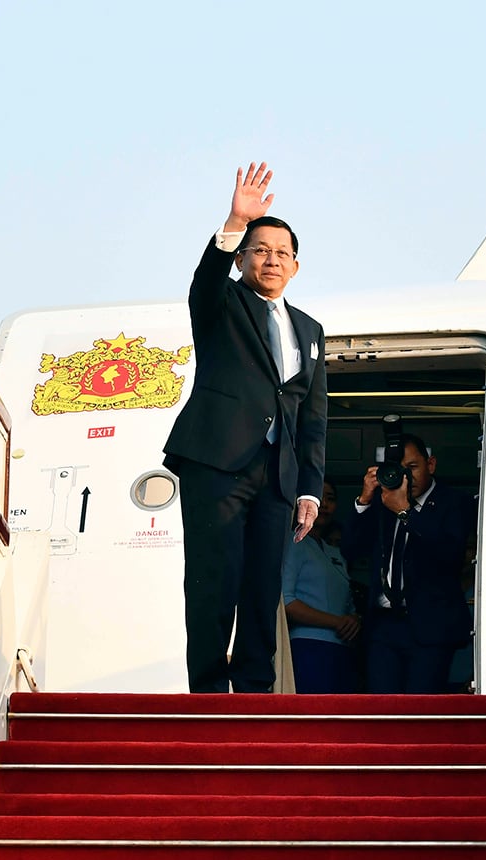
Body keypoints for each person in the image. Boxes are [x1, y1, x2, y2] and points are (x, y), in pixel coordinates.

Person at [163, 163, 327, 693]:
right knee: (214, 582)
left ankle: (255, 692)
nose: (271, 260)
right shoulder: (223, 304)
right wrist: (236, 219)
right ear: (241, 260)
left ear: (296, 266)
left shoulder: (310, 330)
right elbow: (204, 281)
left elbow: (312, 418)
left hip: (278, 476)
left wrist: (310, 489)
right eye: (259, 250)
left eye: (281, 253)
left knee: (262, 588)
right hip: (218, 464)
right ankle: (208, 692)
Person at [341, 434, 472, 694]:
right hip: (384, 626)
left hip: (431, 626)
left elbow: (450, 554)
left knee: (420, 710)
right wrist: (364, 501)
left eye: (412, 467)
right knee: (382, 709)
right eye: (400, 470)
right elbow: (351, 550)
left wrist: (405, 512)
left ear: (430, 465)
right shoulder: (383, 502)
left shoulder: (454, 502)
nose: (406, 477)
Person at [282, 481, 362, 693]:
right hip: (308, 647)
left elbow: (348, 604)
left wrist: (354, 620)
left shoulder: (335, 552)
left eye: (331, 499)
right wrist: (337, 622)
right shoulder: (293, 541)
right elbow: (286, 602)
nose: (325, 504)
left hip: (342, 649)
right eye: (320, 497)